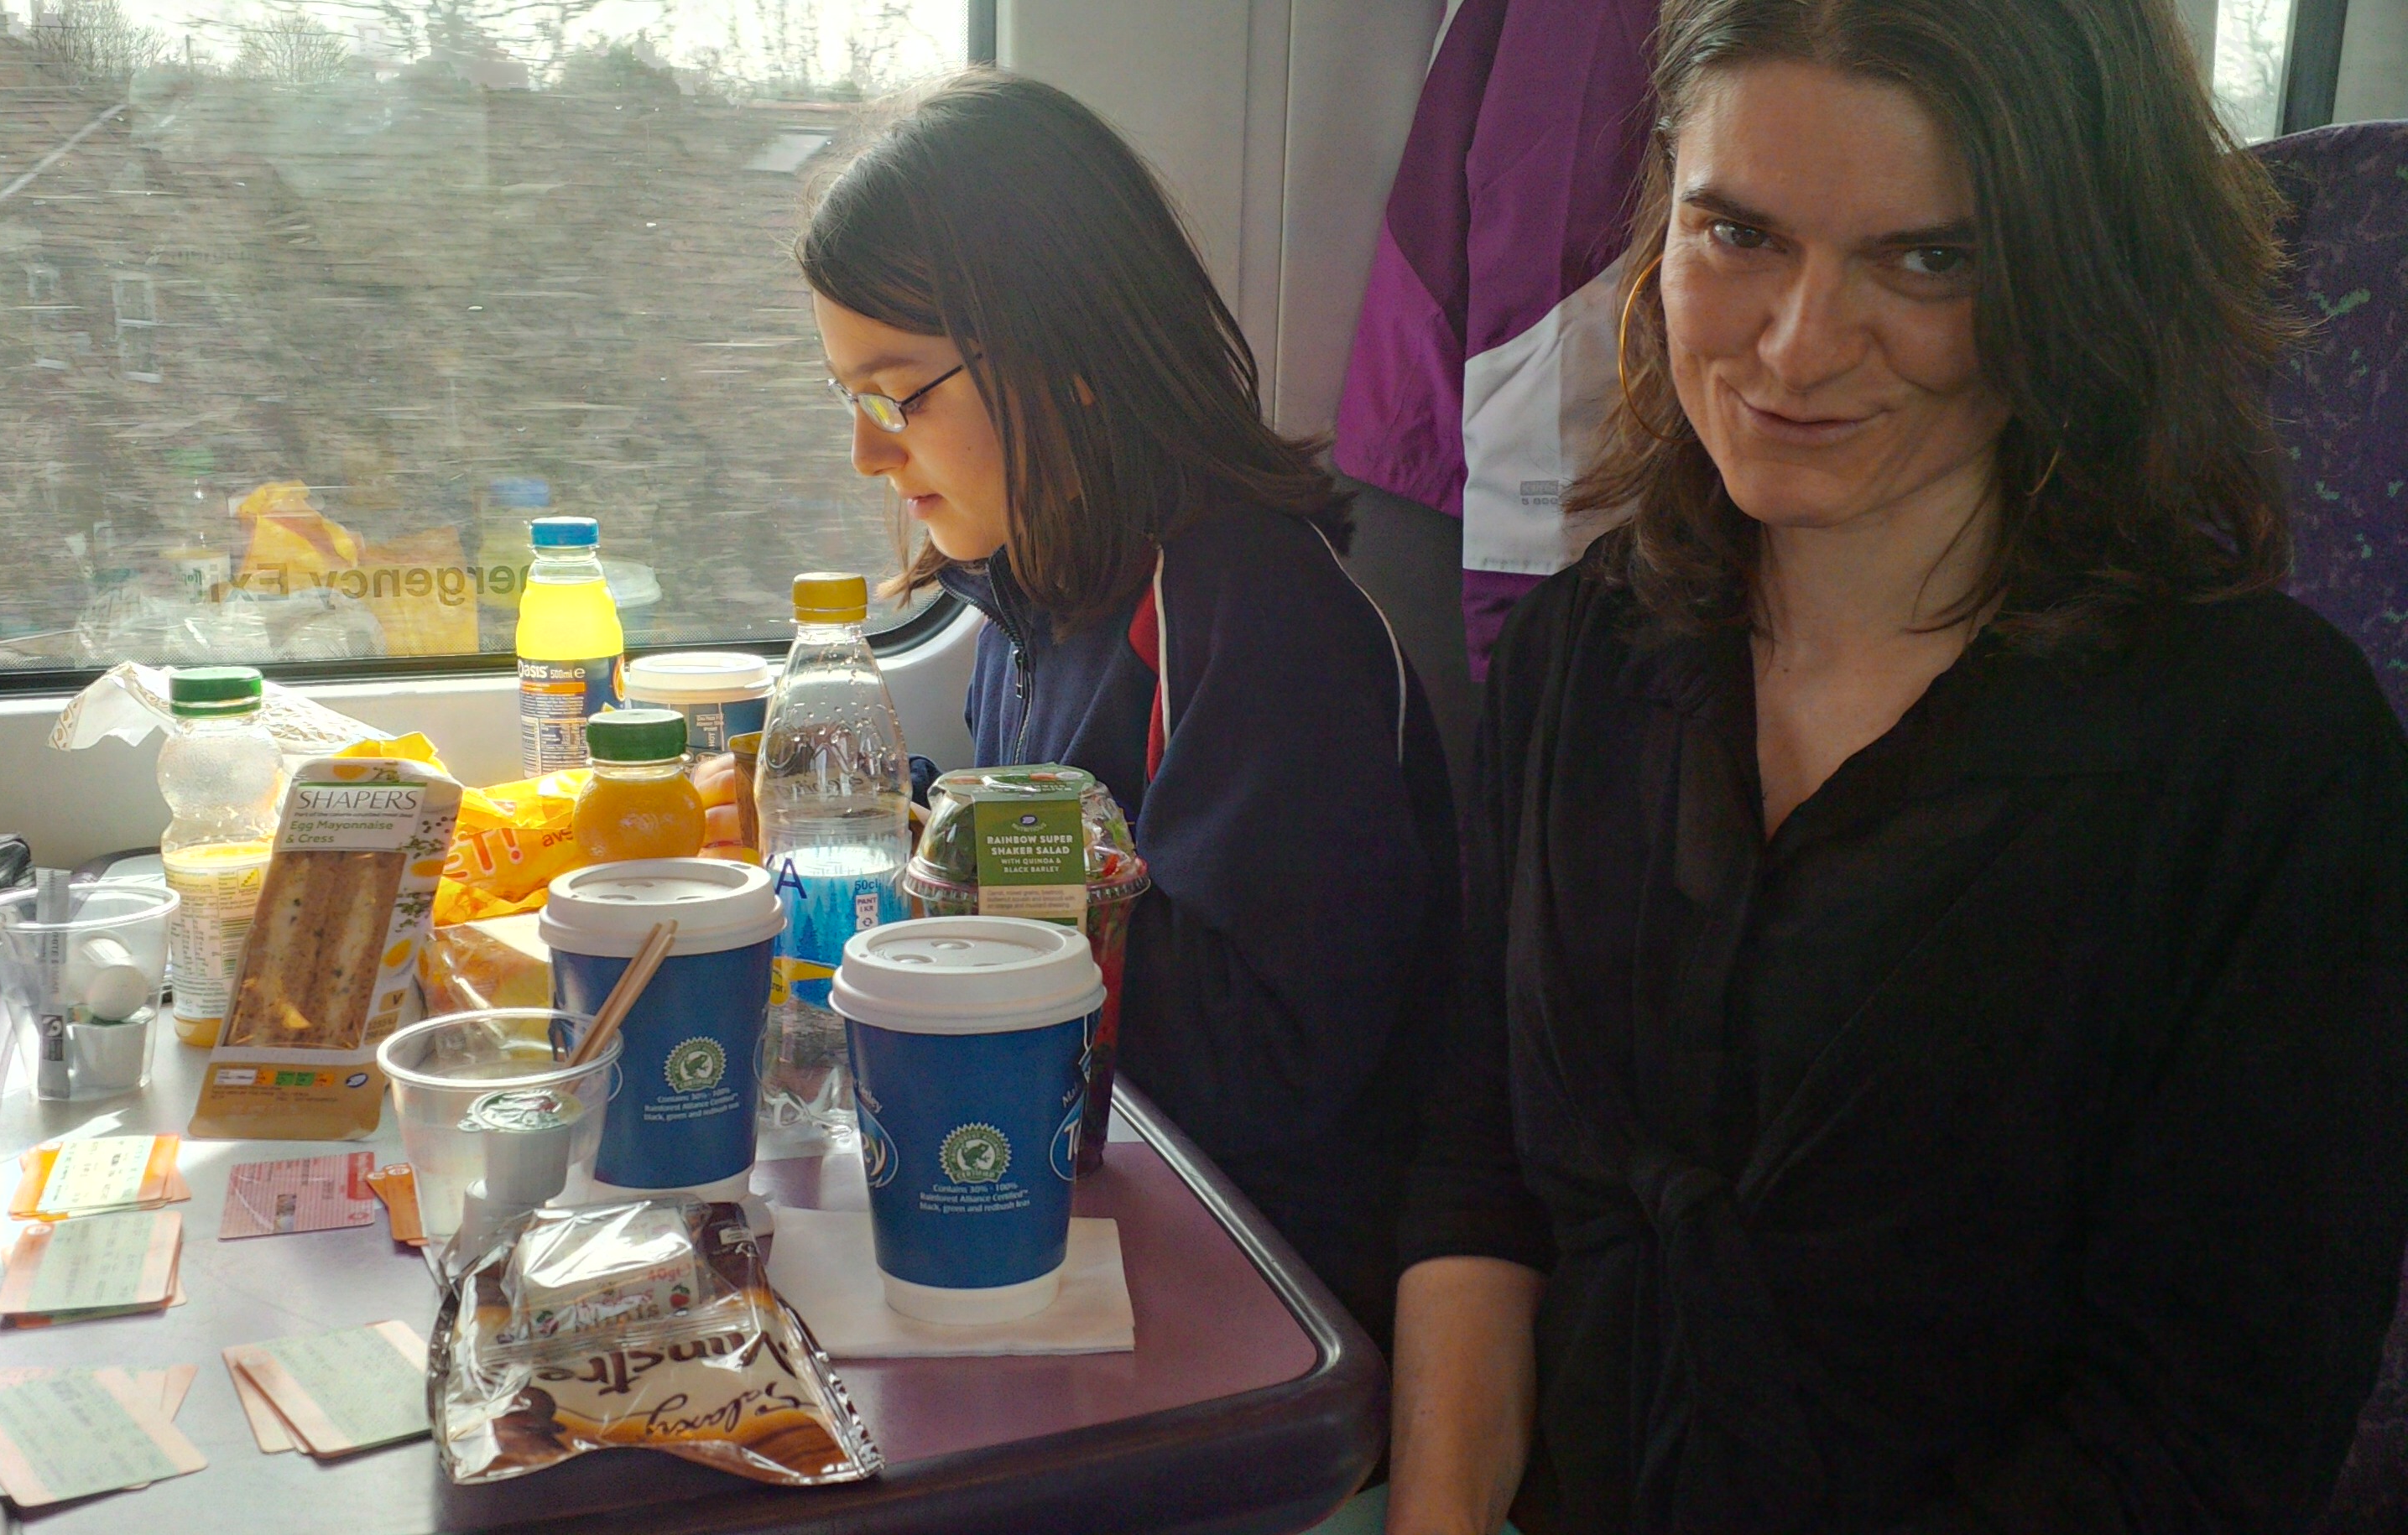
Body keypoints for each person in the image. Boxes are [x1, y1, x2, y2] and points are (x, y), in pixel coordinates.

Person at [1387, 0, 2408, 1531]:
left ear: (2079, 274)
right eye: (1739, 233)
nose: (1798, 346)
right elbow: (1481, 1180)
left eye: (1928, 259)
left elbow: (2200, 1438)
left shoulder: (2268, 760)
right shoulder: (1576, 655)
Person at [796, 71, 1457, 1352]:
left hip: (1256, 1283)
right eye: (851, 401)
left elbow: (1267, 1071)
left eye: (897, 394)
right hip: (1098, 1198)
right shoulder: (1032, 603)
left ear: (1071, 356)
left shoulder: (1252, 614)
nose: (870, 452)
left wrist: (953, 896)